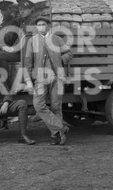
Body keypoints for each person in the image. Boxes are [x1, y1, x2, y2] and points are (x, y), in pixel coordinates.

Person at [24, 16, 73, 145]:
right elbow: (28, 62)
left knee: (56, 106)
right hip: (40, 78)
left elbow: (69, 53)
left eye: (43, 24)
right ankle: (61, 127)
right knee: (38, 105)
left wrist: (61, 59)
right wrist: (28, 80)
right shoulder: (32, 41)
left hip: (57, 77)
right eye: (38, 25)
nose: (41, 27)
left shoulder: (57, 39)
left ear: (48, 26)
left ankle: (56, 136)